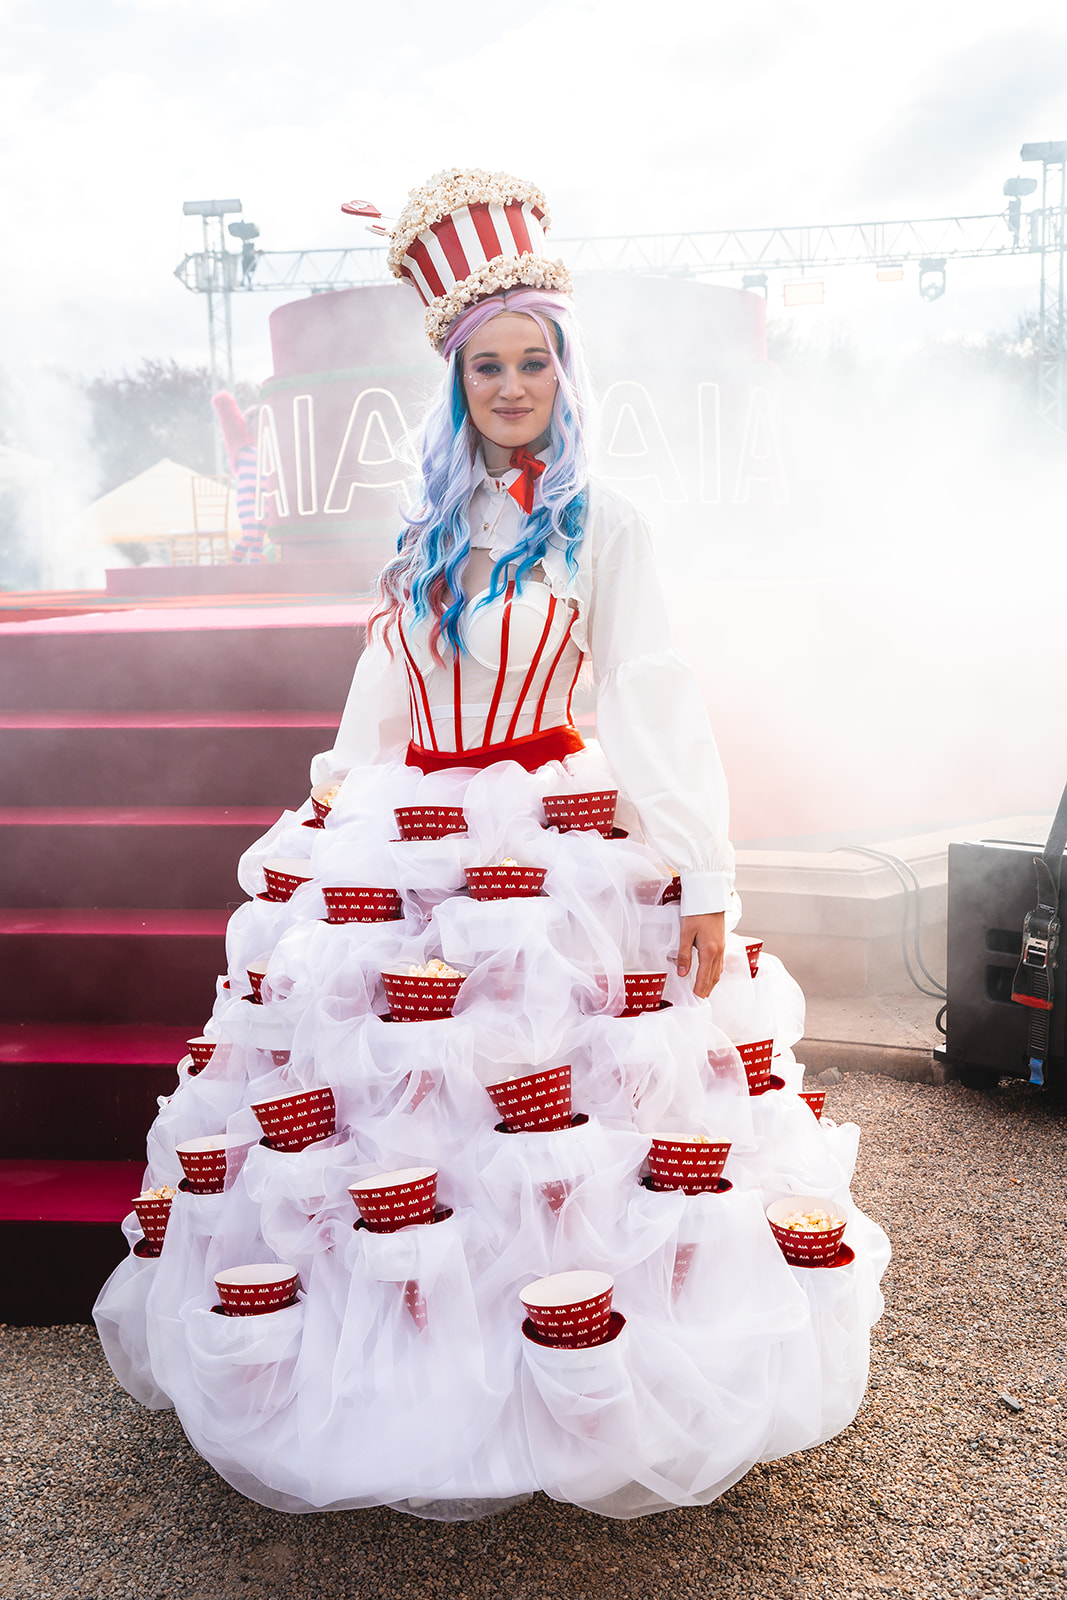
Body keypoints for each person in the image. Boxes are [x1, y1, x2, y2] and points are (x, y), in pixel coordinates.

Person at [94, 169, 889, 1522]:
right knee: (401, 1132)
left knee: (558, 1135)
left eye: (533, 361)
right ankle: (417, 1379)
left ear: (565, 373)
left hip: (557, 857)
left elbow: (650, 695)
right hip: (409, 844)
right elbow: (383, 692)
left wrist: (702, 870)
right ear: (455, 380)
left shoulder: (605, 524)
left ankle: (570, 1389)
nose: (512, 386)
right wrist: (331, 814)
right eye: (487, 365)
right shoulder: (423, 531)